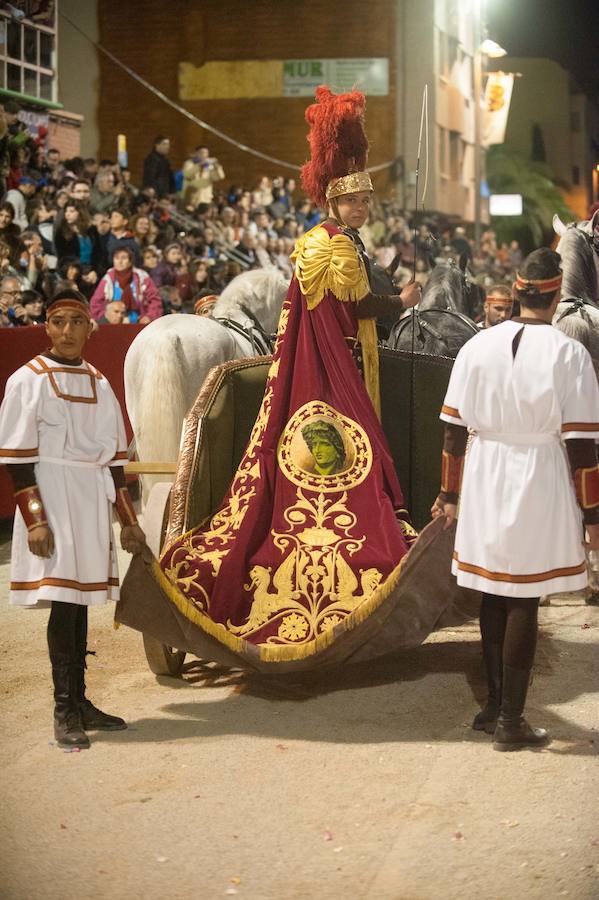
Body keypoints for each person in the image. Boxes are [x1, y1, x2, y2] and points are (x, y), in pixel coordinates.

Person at [155, 86, 422, 663]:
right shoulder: (329, 245)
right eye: (354, 204)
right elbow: (347, 312)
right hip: (333, 366)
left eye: (367, 204)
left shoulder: (327, 240)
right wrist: (401, 299)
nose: (362, 210)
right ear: (334, 200)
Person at [432, 248, 599, 751]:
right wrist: (592, 514)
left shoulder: (476, 346)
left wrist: (448, 494)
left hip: (485, 471)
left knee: (493, 591)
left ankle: (493, 708)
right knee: (524, 595)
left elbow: (453, 433)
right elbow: (583, 445)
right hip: (537, 475)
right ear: (555, 295)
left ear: (519, 289)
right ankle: (511, 721)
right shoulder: (570, 353)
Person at [0, 288, 146, 749]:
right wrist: (36, 520)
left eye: (76, 322)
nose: (67, 331)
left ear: (90, 327)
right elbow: (17, 458)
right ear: (46, 326)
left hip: (89, 498)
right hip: (53, 497)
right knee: (64, 603)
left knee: (81, 602)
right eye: (58, 322)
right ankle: (64, 711)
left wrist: (127, 520)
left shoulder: (100, 382)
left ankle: (80, 700)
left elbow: (115, 462)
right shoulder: (28, 379)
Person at [90, 247, 163, 324]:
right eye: (117, 258)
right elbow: (95, 303)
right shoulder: (108, 279)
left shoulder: (142, 277)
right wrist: (105, 317)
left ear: (130, 261)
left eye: (124, 258)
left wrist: (149, 316)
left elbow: (155, 300)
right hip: (111, 323)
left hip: (139, 322)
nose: (120, 261)